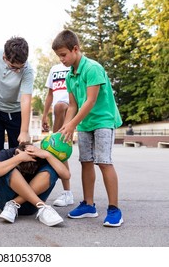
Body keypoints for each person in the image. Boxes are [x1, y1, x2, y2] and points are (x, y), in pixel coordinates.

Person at [52, 29, 124, 227]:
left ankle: (114, 209)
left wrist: (72, 124)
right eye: (59, 56)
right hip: (85, 123)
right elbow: (73, 106)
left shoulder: (92, 68)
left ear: (75, 49)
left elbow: (91, 101)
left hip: (103, 120)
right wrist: (66, 127)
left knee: (104, 162)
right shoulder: (70, 76)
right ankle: (89, 205)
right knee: (86, 161)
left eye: (64, 55)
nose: (61, 59)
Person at [0, 37, 35, 212]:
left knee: (16, 153)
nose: (17, 70)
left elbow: (26, 99)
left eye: (20, 67)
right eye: (13, 67)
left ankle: (13, 194)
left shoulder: (27, 70)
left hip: (15, 111)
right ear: (5, 57)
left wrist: (24, 130)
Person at [0, 142, 70, 226]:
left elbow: (66, 175)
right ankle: (42, 206)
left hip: (31, 207)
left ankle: (15, 203)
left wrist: (47, 155)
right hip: (5, 205)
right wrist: (19, 158)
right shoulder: (6, 154)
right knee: (7, 167)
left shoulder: (41, 156)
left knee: (52, 169)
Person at [42, 63, 74, 207]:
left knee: (58, 148)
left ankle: (68, 193)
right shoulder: (54, 69)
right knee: (57, 152)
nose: (62, 58)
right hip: (57, 114)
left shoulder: (78, 66)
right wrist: (44, 116)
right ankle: (67, 193)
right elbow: (50, 95)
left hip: (73, 110)